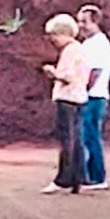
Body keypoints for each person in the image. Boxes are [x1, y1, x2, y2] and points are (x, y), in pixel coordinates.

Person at [40, 14, 89, 194]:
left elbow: (69, 76)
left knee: (67, 139)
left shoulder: (70, 50)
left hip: (68, 97)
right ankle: (77, 178)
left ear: (63, 33)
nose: (52, 39)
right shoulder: (79, 49)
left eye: (54, 35)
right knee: (75, 139)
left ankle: (63, 179)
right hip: (78, 98)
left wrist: (53, 72)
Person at [77, 5, 110, 191]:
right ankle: (88, 175)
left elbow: (94, 73)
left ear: (95, 22)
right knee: (87, 136)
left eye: (84, 21)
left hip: (94, 96)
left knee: (91, 136)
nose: (80, 25)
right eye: (79, 21)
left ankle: (97, 178)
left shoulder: (99, 43)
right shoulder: (88, 43)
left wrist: (81, 90)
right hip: (91, 96)